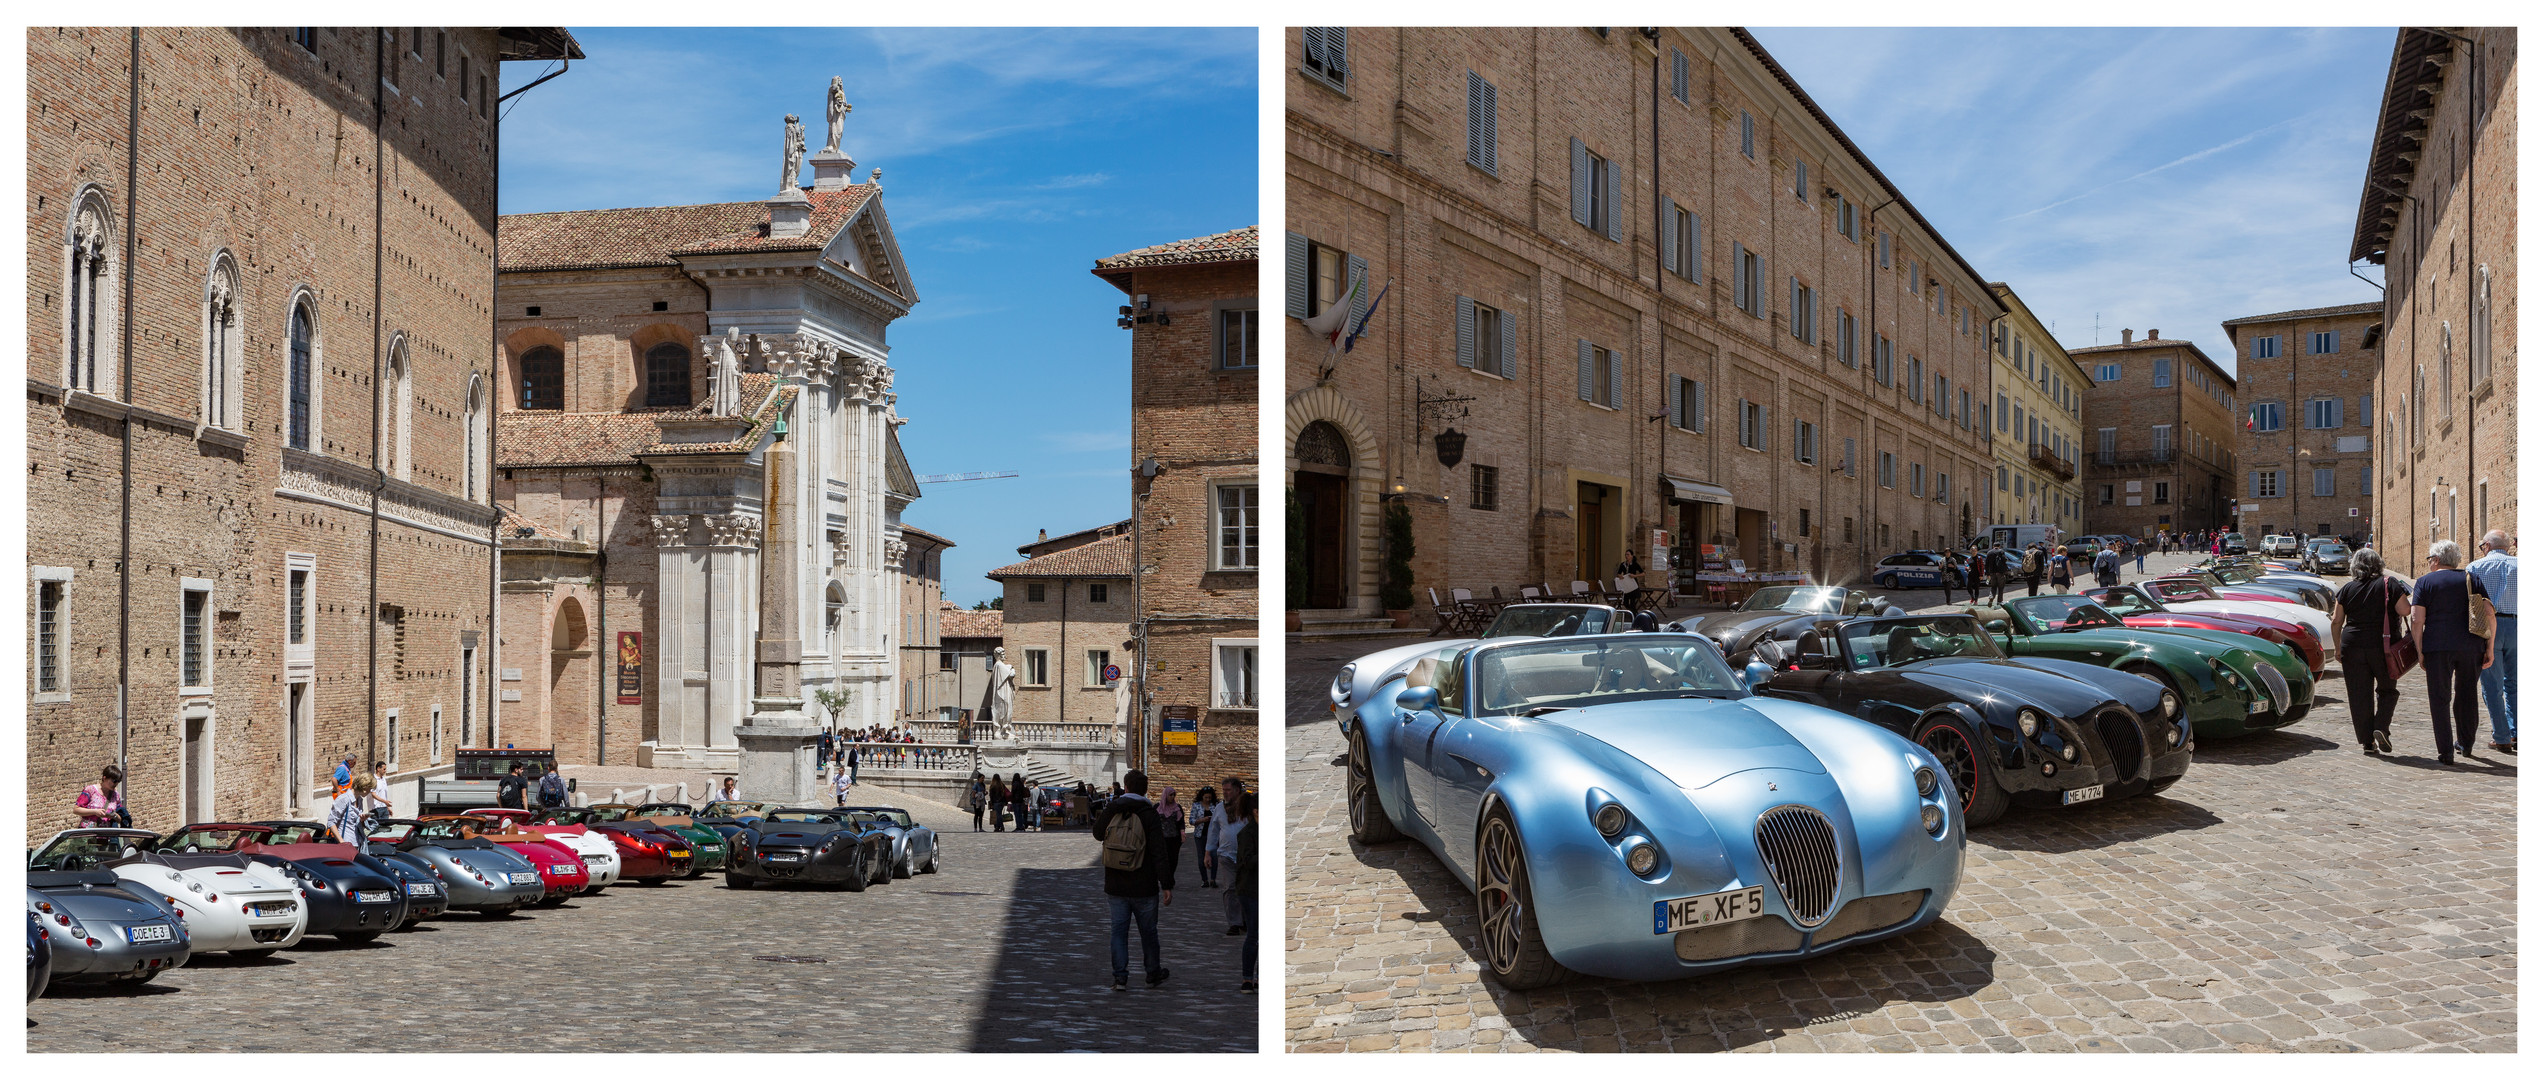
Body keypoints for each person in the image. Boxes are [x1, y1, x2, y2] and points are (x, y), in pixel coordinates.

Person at [2411, 539, 2495, 765]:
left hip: (2437, 647)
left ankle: (2445, 751)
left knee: (2439, 698)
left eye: (2430, 559)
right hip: (2470, 645)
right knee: (2467, 694)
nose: (2429, 563)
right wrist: (2490, 647)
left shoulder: (2424, 583)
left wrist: (2419, 650)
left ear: (2436, 560)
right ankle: (2466, 743)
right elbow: (2489, 613)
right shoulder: (2471, 578)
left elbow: (2417, 620)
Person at [1091, 768, 1173, 991]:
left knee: (1118, 932)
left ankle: (1120, 978)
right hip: (1144, 884)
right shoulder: (1149, 813)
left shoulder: (1113, 808)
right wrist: (1166, 884)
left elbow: (1097, 833)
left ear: (1125, 787)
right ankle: (1152, 973)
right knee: (1148, 932)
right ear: (1145, 790)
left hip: (1116, 883)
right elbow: (1159, 851)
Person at [2330, 548, 2410, 755]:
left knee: (2358, 694)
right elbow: (2405, 610)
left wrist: (2338, 647)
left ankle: (2367, 742)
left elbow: (2336, 620)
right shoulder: (2389, 584)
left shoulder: (2347, 588)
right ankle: (2381, 727)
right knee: (2387, 689)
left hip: (2352, 645)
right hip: (2383, 647)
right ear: (2379, 564)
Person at [2466, 530, 2517, 753]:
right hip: (2519, 625)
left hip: (2488, 627)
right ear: (2508, 546)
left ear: (2487, 545)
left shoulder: (2475, 568)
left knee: (2491, 684)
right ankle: (2518, 732)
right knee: (2516, 683)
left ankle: (2502, 736)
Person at [1213, 777, 1249, 934]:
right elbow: (1213, 831)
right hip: (1226, 855)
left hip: (1246, 856)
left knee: (1246, 889)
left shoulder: (1247, 807)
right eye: (1224, 790)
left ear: (1237, 790)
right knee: (1230, 889)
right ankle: (1234, 923)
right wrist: (1208, 852)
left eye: (1228, 790)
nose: (1225, 793)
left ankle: (1246, 920)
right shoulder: (1220, 809)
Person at [1232, 792, 1259, 994]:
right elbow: (1248, 862)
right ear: (1256, 812)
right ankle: (1247, 978)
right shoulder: (1247, 834)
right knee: (1254, 935)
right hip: (1250, 890)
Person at [326, 774, 381, 848]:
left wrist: (362, 820)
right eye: (370, 788)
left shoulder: (360, 800)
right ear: (365, 787)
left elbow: (356, 824)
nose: (370, 791)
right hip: (344, 845)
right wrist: (342, 842)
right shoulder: (344, 799)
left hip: (357, 843)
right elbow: (331, 822)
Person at [1154, 786, 1186, 889]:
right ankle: (1164, 878)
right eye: (1170, 795)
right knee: (1163, 859)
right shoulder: (1157, 807)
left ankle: (1170, 877)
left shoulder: (1177, 808)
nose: (1172, 797)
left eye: (1173, 795)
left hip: (1174, 838)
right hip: (1161, 839)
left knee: (1173, 859)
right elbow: (1153, 822)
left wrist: (1182, 833)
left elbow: (1181, 822)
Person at [1191, 786, 1219, 887]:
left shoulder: (1215, 806)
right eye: (1206, 797)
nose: (1207, 799)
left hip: (1213, 835)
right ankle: (1204, 880)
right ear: (1202, 796)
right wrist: (1202, 820)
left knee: (1214, 857)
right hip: (1200, 835)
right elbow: (1191, 820)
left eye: (1209, 797)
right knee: (1201, 857)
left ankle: (1213, 879)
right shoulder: (1196, 805)